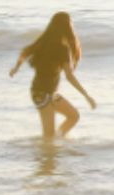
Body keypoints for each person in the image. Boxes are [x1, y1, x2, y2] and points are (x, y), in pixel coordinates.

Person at [8, 12, 97, 140]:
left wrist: (16, 68)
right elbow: (69, 76)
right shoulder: (61, 49)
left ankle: (59, 140)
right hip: (43, 94)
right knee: (48, 138)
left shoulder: (43, 42)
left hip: (48, 93)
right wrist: (86, 96)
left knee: (73, 116)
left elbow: (25, 52)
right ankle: (46, 156)